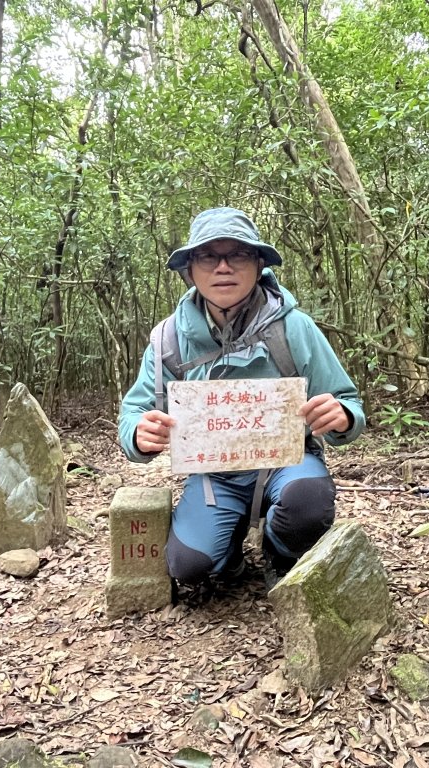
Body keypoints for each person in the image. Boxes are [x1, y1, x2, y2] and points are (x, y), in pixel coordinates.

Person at [118, 207, 365, 589]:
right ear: (190, 268)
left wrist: (341, 416)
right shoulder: (167, 339)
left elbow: (347, 401)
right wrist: (138, 433)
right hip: (214, 474)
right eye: (207, 256)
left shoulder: (293, 327)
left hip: (288, 464)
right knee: (189, 567)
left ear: (258, 264)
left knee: (307, 501)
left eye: (238, 254)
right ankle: (228, 553)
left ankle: (280, 553)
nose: (223, 267)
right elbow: (134, 411)